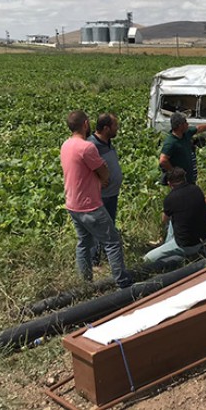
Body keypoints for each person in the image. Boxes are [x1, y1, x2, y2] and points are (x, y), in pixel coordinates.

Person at [59, 110, 132, 288]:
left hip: (72, 203)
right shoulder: (87, 147)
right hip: (89, 204)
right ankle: (123, 283)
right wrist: (103, 175)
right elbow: (104, 172)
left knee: (84, 242)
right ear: (85, 124)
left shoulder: (66, 145)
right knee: (112, 241)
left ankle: (85, 283)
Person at [144, 167, 206, 263]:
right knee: (174, 218)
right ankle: (172, 248)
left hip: (185, 245)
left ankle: (180, 256)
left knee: (147, 258)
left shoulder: (170, 198)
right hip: (202, 240)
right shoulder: (197, 189)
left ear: (169, 183)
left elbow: (164, 220)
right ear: (184, 178)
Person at [159, 111, 206, 184]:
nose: (188, 124)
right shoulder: (171, 142)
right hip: (179, 181)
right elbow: (163, 160)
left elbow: (199, 128)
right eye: (186, 123)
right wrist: (173, 172)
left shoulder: (186, 133)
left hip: (189, 177)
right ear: (180, 126)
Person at [88, 113, 122, 223]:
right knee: (102, 228)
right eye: (115, 126)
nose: (117, 128)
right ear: (106, 128)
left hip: (111, 194)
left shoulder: (107, 143)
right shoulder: (91, 145)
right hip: (100, 197)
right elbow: (83, 170)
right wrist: (96, 182)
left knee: (109, 225)